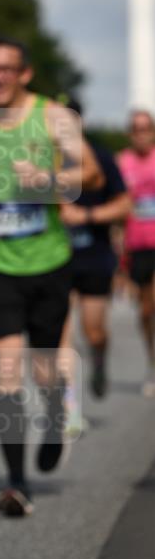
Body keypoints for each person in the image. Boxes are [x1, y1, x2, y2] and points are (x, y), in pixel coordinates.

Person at [0, 37, 102, 517]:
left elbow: (92, 176)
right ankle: (16, 484)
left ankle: (56, 415)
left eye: (7, 69)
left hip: (49, 262)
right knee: (6, 371)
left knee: (44, 369)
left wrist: (48, 180)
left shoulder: (56, 119)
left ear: (25, 74)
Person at [58, 98, 131, 420]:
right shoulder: (43, 158)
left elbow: (124, 205)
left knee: (94, 332)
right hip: (55, 260)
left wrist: (86, 215)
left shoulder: (99, 158)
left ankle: (99, 359)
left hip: (94, 258)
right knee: (60, 335)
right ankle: (68, 406)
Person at [117, 109, 155, 396]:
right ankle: (152, 362)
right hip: (136, 245)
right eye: (136, 129)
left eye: (146, 128)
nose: (141, 134)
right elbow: (117, 207)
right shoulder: (122, 163)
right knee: (145, 311)